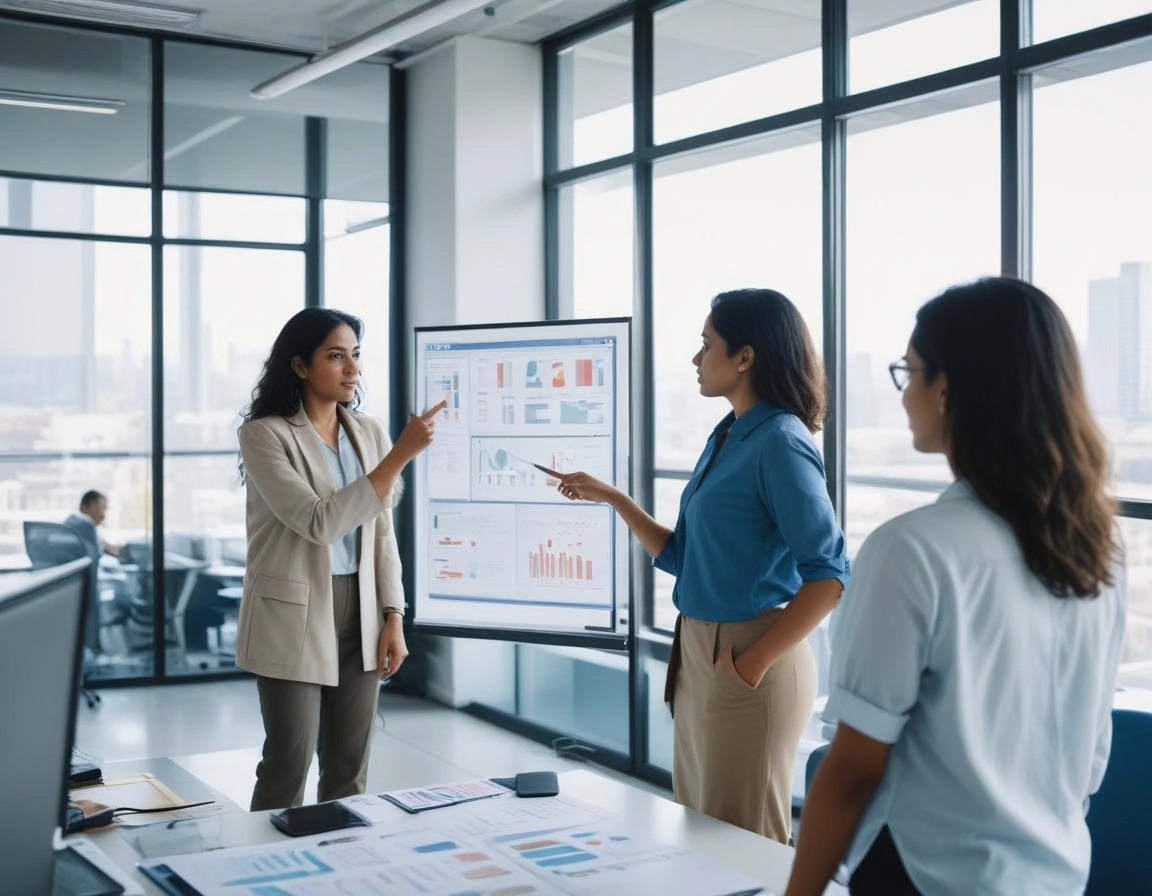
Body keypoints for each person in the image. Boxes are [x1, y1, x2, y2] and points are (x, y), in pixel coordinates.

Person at [785, 277, 1126, 895]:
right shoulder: (1101, 550)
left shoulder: (910, 550)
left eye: (908, 371)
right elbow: (1091, 757)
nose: (904, 393)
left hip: (925, 874)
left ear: (946, 388)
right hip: (1054, 876)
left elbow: (855, 769)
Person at [553, 288, 850, 843]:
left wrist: (751, 664)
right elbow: (685, 559)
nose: (695, 359)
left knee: (742, 838)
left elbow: (829, 575)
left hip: (750, 652)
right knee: (699, 824)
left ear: (746, 356)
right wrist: (614, 498)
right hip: (699, 650)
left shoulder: (780, 442)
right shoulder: (727, 435)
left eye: (706, 345)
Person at [237, 307, 446, 811]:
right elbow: (318, 521)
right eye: (335, 356)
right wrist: (401, 455)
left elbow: (381, 534)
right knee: (289, 762)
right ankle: (261, 875)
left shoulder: (367, 432)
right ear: (300, 366)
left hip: (363, 604)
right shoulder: (265, 434)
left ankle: (339, 872)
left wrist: (394, 615)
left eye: (355, 355)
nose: (352, 368)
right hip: (295, 609)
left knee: (350, 765)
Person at [64, 490, 122, 561]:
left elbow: (108, 547)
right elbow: (109, 549)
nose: (103, 515)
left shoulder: (75, 524)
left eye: (104, 510)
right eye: (100, 509)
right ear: (84, 507)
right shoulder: (82, 528)